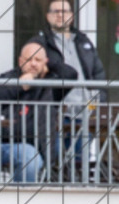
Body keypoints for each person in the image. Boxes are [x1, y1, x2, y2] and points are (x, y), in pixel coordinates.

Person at [0, 42, 76, 183]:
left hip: (29, 145)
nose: (32, 64)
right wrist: (19, 86)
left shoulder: (50, 84)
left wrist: (50, 62)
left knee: (30, 162)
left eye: (37, 60)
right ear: (20, 61)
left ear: (45, 62)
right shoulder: (8, 77)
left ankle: (18, 202)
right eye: (28, 60)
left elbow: (71, 75)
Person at [31, 0, 106, 172]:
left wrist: (98, 101)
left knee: (80, 162)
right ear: (47, 16)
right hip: (56, 113)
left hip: (84, 113)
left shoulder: (83, 41)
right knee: (54, 160)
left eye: (64, 12)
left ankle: (80, 195)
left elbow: (98, 75)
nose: (60, 15)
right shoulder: (41, 42)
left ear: (71, 16)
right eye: (55, 11)